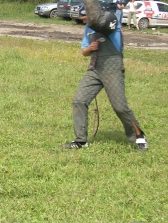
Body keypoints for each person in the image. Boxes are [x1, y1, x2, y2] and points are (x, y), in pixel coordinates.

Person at [63, 15, 148, 151]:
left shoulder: (112, 24)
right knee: (79, 101)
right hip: (95, 70)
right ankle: (81, 141)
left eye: (86, 17)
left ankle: (139, 136)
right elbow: (84, 51)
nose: (84, 20)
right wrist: (90, 48)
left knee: (120, 107)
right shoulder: (88, 29)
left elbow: (109, 24)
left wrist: (98, 22)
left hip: (113, 70)